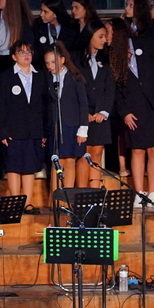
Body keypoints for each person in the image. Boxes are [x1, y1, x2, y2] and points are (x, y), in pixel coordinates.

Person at [111, 18, 154, 208]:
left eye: (109, 33)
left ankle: (153, 193)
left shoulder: (147, 44)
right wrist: (124, 112)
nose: (106, 38)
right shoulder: (113, 56)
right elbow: (115, 89)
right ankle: (139, 194)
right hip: (133, 109)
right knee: (137, 150)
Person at [0, 39, 50, 207]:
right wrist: (2, 131)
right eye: (21, 52)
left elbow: (45, 106)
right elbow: (0, 106)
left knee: (30, 167)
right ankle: (15, 203)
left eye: (29, 52)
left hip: (34, 130)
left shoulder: (40, 76)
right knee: (13, 167)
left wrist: (44, 132)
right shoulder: (6, 77)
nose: (26, 55)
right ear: (14, 56)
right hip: (12, 130)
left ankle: (27, 203)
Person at [45, 43, 90, 200]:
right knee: (56, 161)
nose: (50, 66)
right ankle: (56, 200)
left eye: (53, 62)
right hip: (54, 126)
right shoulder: (46, 79)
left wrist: (83, 129)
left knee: (70, 161)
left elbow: (83, 104)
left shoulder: (75, 77)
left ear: (62, 60)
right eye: (47, 63)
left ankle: (67, 200)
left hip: (72, 125)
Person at [79, 23, 115, 188]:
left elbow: (110, 88)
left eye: (105, 36)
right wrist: (83, 113)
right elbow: (75, 88)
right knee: (83, 154)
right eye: (100, 36)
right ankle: (82, 193)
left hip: (100, 116)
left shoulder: (105, 59)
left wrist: (104, 111)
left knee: (97, 153)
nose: (104, 40)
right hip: (83, 115)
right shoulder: (76, 59)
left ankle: (94, 193)